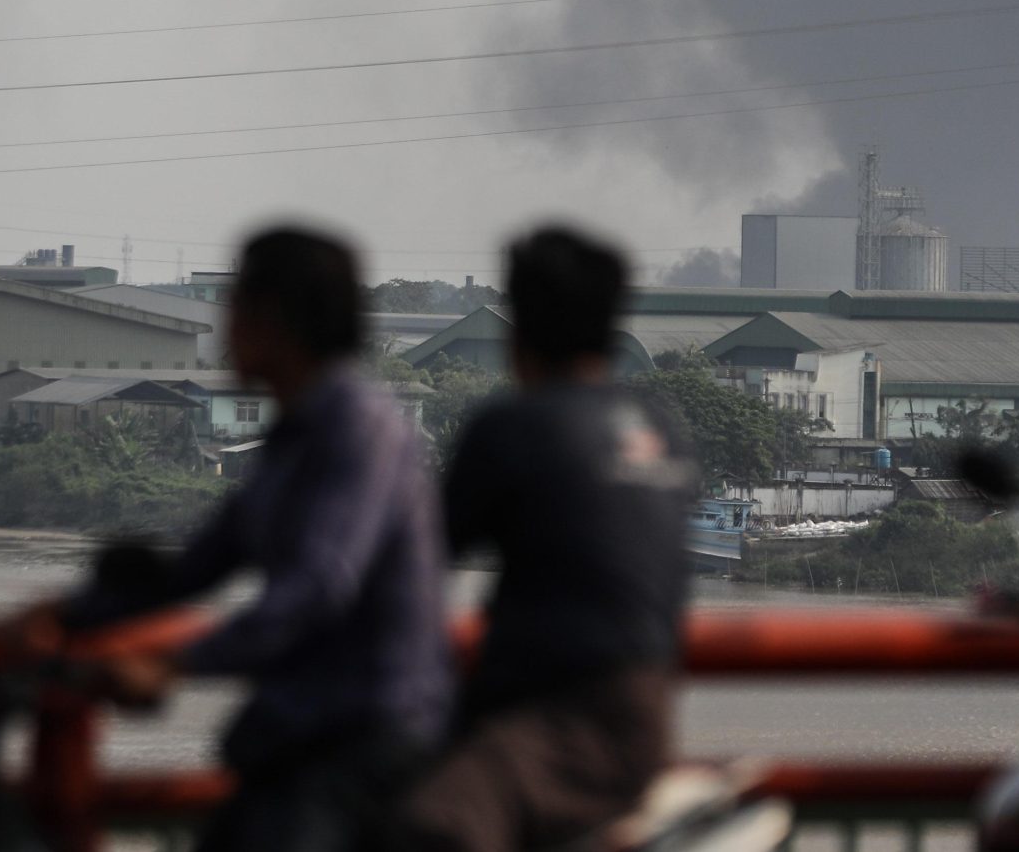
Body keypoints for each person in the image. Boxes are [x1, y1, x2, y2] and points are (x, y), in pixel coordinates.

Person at [37, 225, 452, 852]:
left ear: (273, 318)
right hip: (298, 737)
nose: (223, 327)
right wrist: (58, 617)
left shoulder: (356, 427)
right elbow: (199, 567)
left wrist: (173, 663)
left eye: (235, 306)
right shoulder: (290, 438)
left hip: (364, 742)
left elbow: (317, 586)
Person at [397, 225, 697, 852]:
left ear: (519, 330)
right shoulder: (659, 426)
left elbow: (416, 565)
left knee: (432, 828)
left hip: (552, 713)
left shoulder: (517, 425)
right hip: (647, 714)